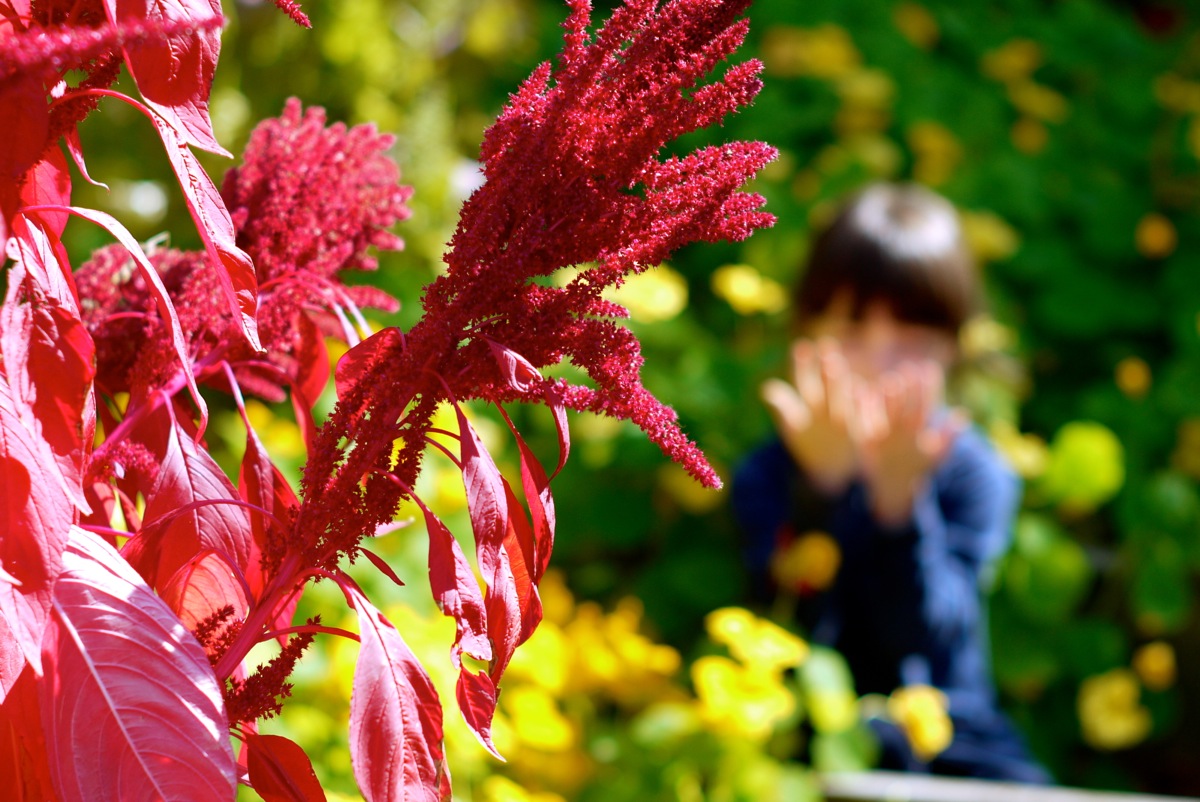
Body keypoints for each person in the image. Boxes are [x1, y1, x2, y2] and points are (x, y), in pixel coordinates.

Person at [731, 182, 1051, 783]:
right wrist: (822, 490)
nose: (879, 358)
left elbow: (929, 636)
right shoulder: (772, 469)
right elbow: (779, 618)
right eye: (853, 329)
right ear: (808, 331)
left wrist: (900, 504)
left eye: (910, 337)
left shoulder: (972, 472)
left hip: (948, 740)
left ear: (952, 349)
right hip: (801, 735)